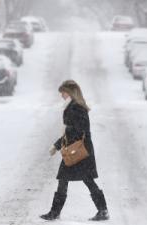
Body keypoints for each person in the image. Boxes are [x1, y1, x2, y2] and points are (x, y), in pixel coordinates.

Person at [40, 80, 109, 221]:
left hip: (79, 151)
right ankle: (56, 212)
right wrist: (58, 144)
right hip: (76, 150)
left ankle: (102, 211)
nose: (61, 95)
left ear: (70, 92)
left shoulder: (76, 107)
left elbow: (78, 131)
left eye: (63, 92)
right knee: (66, 179)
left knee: (83, 180)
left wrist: (58, 144)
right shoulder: (72, 106)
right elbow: (72, 131)